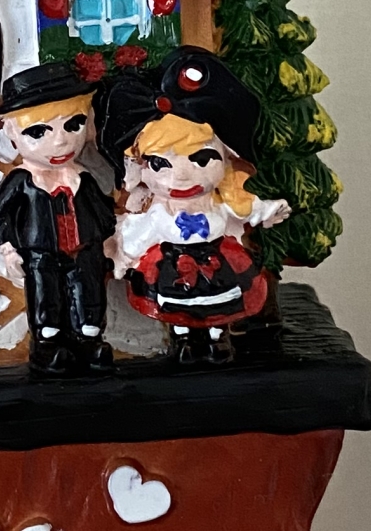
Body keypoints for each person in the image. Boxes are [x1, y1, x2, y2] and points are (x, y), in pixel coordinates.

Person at [97, 48, 288, 366]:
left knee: (221, 304)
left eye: (201, 159)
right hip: (172, 266)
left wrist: (267, 211)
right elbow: (139, 233)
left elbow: (243, 209)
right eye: (160, 164)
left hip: (217, 261)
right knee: (177, 307)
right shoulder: (158, 211)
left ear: (226, 159)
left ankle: (216, 338)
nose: (182, 176)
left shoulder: (219, 203)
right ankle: (184, 338)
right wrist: (122, 254)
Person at [0, 63, 118, 376]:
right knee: (46, 296)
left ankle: (87, 338)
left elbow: (101, 211)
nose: (60, 142)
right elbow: (1, 213)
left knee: (88, 294)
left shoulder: (82, 178)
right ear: (12, 134)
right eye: (38, 132)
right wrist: (8, 249)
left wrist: (111, 241)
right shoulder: (22, 180)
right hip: (41, 254)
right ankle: (48, 343)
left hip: (85, 251)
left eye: (73, 125)